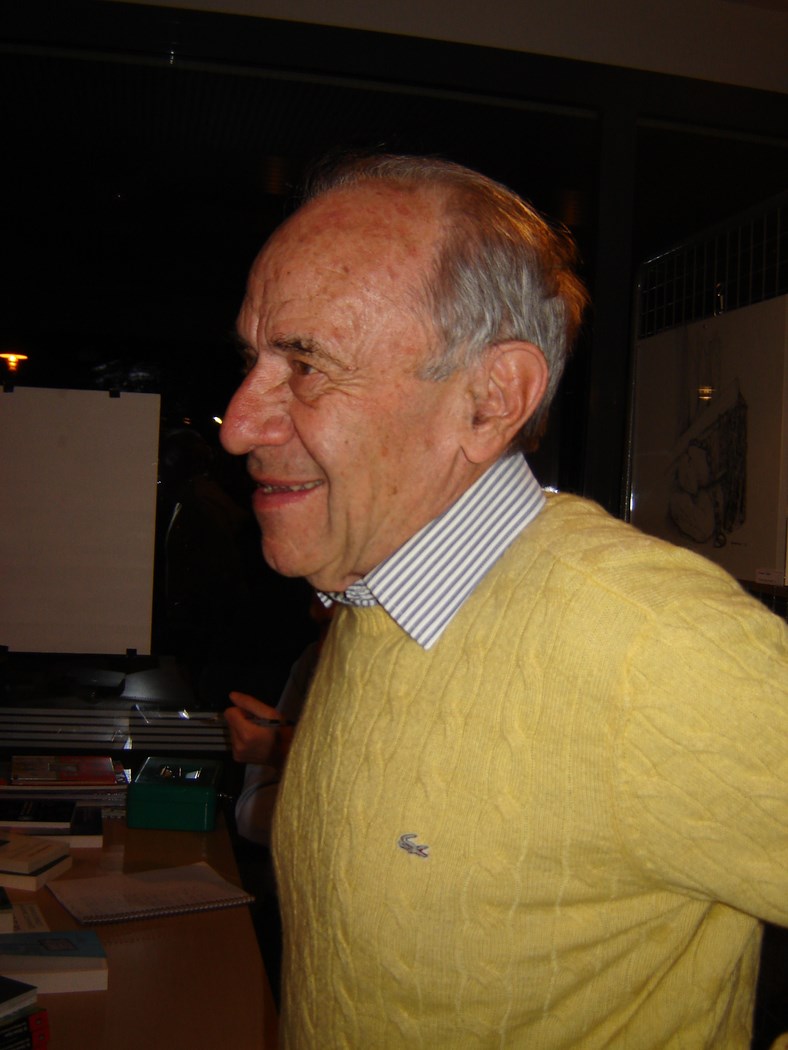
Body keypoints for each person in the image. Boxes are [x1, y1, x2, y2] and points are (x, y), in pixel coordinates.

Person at [221, 154, 788, 1049]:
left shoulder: (657, 649)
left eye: (305, 364)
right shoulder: (372, 600)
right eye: (254, 360)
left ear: (491, 401)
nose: (237, 424)